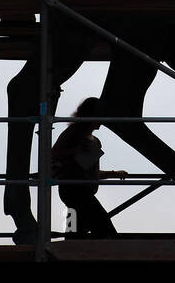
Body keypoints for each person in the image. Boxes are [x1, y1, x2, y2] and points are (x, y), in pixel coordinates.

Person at [51, 97, 127, 239]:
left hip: (78, 191)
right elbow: (53, 154)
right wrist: (76, 151)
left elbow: (89, 172)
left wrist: (114, 173)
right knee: (104, 228)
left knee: (75, 232)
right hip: (75, 191)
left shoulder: (95, 142)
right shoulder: (74, 133)